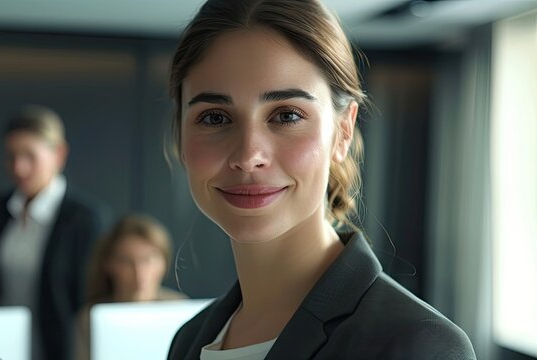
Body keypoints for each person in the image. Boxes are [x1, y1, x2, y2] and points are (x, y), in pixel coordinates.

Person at [164, 0, 477, 359]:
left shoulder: (420, 346)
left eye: (286, 116)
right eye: (215, 118)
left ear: (343, 132)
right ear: (180, 137)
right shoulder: (187, 341)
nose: (249, 155)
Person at [0, 105, 110, 360]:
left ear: (59, 154)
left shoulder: (84, 218)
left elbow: (89, 299)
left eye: (30, 156)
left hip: (58, 352)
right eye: (11, 157)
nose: (19, 168)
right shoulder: (0, 208)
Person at [76, 214, 187, 360]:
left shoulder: (181, 309)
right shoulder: (91, 318)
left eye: (148, 260)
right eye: (126, 261)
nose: (139, 272)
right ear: (108, 264)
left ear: (164, 262)